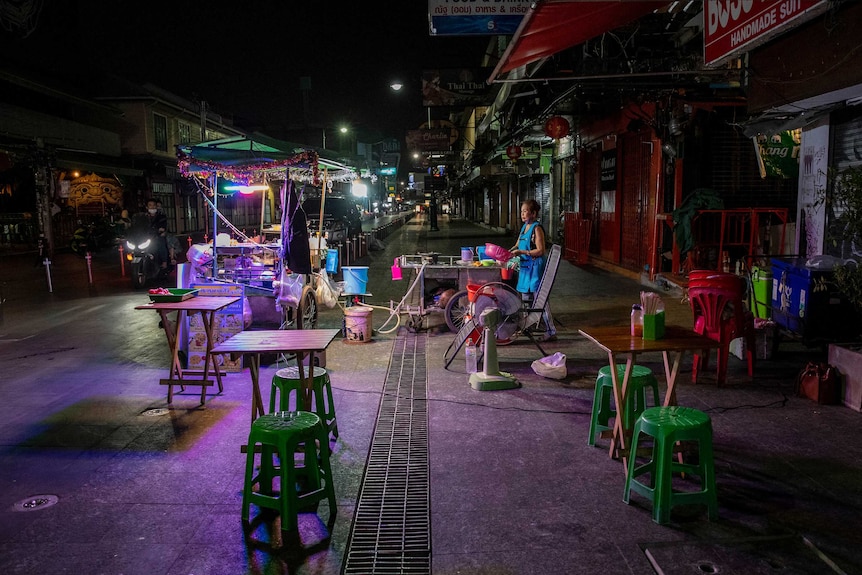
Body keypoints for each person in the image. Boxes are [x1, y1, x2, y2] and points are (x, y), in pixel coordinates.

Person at [510, 198, 556, 340]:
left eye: (525, 211)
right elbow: (517, 245)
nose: (523, 214)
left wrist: (522, 253)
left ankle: (551, 331)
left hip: (535, 268)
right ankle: (526, 326)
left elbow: (541, 250)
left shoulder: (537, 228)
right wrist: (506, 252)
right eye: (522, 211)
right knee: (525, 298)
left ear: (534, 213)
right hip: (525, 268)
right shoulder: (524, 227)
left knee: (540, 299)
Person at [145, 198, 170, 272]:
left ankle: (164, 262)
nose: (152, 207)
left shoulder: (161, 216)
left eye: (154, 205)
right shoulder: (144, 217)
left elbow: (162, 228)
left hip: (157, 236)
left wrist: (159, 231)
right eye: (150, 205)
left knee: (161, 242)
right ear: (147, 207)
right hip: (146, 237)